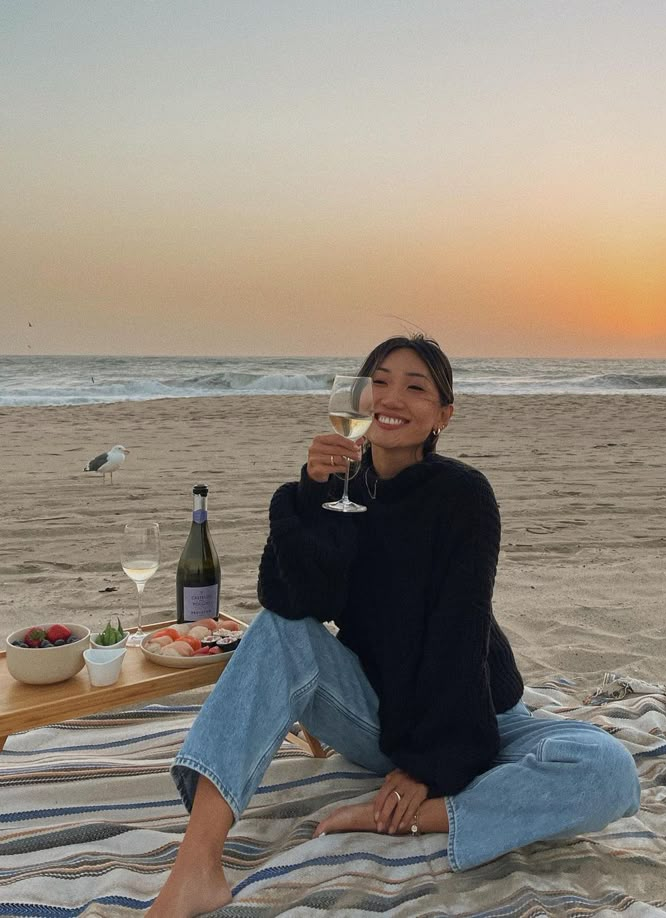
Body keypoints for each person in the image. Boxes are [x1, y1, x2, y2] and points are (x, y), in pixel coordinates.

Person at [148, 335, 640, 918]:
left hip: (473, 716)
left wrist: (428, 771)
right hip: (374, 713)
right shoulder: (338, 490)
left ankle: (415, 818)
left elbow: (458, 635)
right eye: (379, 382)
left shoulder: (463, 496)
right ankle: (197, 864)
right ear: (357, 399)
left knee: (609, 770)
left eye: (416, 387)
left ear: (443, 415)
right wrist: (310, 494)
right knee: (275, 630)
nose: (393, 398)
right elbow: (292, 601)